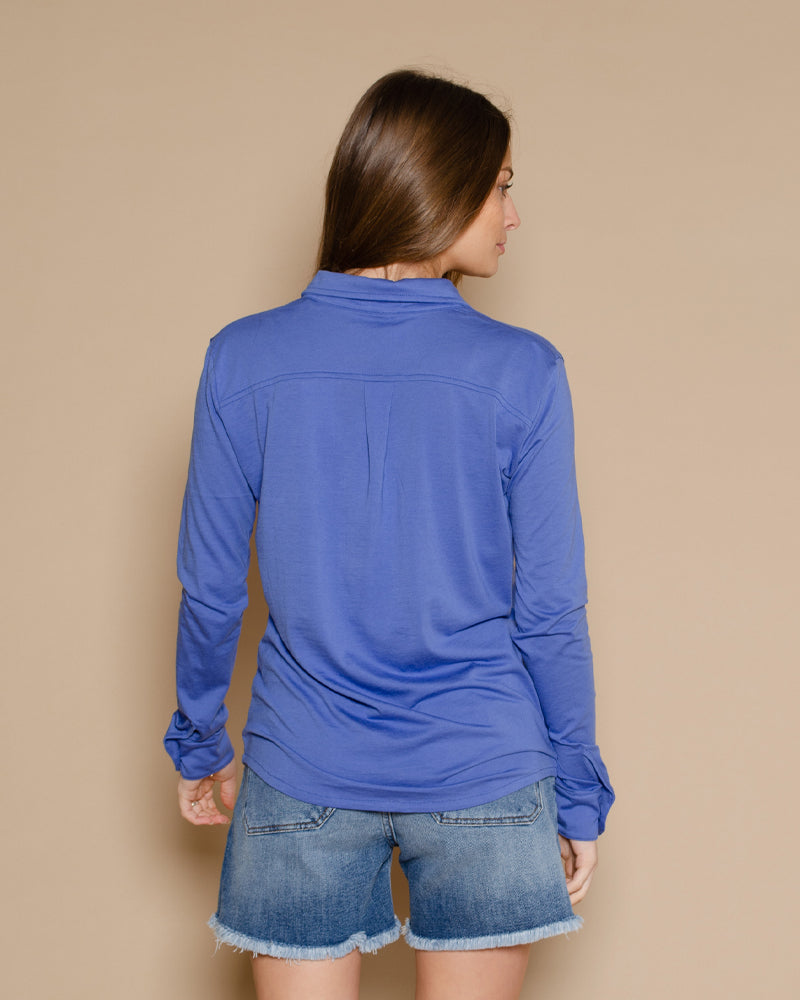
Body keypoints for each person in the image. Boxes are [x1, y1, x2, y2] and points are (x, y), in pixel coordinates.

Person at [164, 68, 614, 1000]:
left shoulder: (243, 358)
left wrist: (200, 742)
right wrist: (579, 790)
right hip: (484, 767)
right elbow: (551, 612)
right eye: (501, 187)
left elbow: (211, 587)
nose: (513, 216)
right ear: (440, 185)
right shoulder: (522, 372)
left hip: (301, 764)